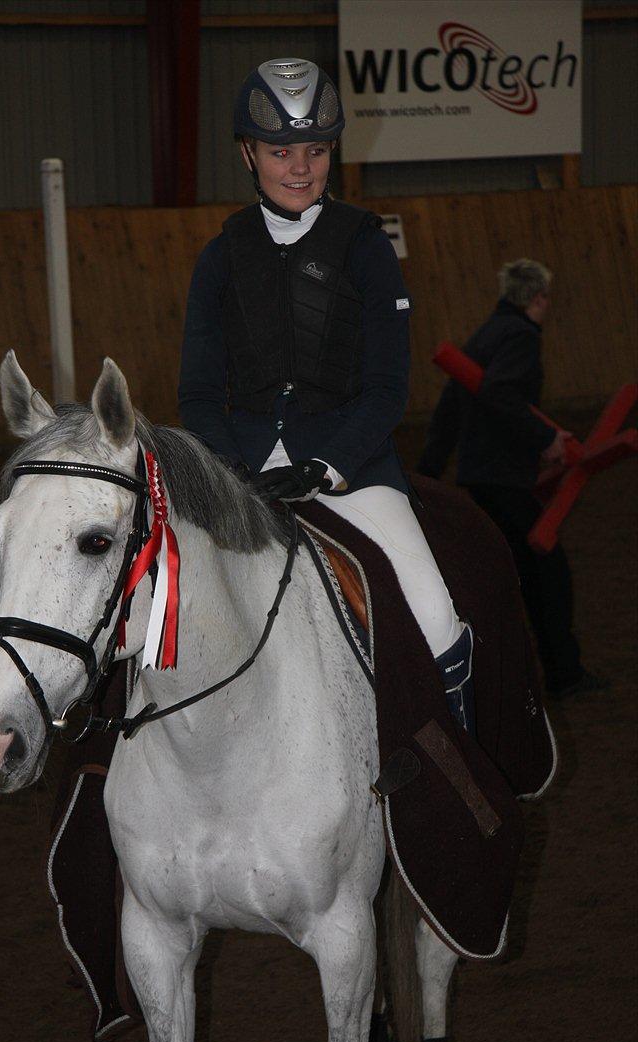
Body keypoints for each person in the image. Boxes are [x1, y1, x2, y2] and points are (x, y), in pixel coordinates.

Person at [178, 57, 475, 731]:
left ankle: (456, 787)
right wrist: (232, 475)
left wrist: (328, 466)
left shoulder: (367, 248)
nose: (301, 167)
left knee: (433, 613)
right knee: (162, 615)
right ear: (248, 153)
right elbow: (198, 395)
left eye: (315, 150)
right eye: (281, 151)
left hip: (353, 468)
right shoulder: (220, 257)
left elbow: (387, 390)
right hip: (243, 471)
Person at [417, 258, 604, 698]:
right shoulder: (520, 335)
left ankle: (513, 679)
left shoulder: (487, 333)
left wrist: (427, 470)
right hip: (502, 475)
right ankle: (565, 674)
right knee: (548, 572)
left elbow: (452, 403)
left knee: (509, 574)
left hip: (481, 477)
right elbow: (500, 394)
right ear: (539, 298)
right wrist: (546, 438)